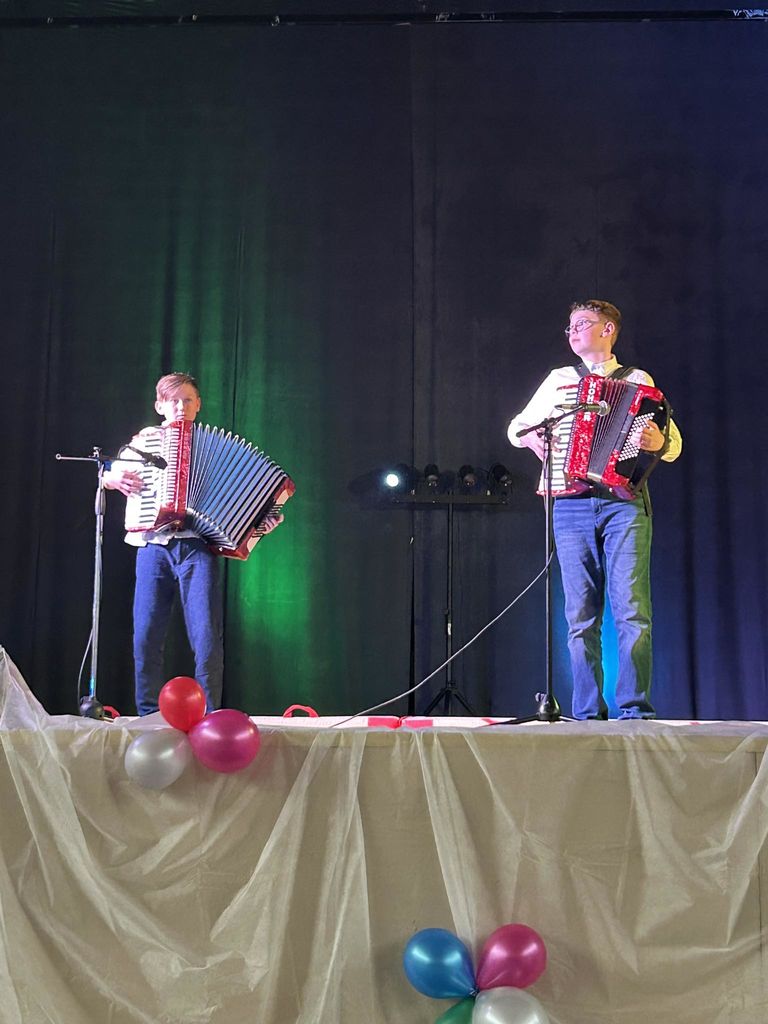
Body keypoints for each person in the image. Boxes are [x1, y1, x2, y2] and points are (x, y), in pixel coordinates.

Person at [507, 300, 682, 720]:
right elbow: (517, 428)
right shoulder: (559, 380)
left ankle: (635, 709)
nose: (571, 331)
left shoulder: (637, 379)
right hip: (570, 504)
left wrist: (657, 442)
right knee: (580, 613)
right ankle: (587, 712)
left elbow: (672, 445)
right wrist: (532, 439)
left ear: (608, 330)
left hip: (624, 503)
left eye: (582, 324)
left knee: (632, 609)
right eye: (569, 326)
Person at [104, 372, 282, 716]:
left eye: (187, 400)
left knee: (206, 635)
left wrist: (261, 524)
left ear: (198, 405)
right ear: (159, 406)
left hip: (196, 548)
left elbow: (245, 505)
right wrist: (112, 478)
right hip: (152, 546)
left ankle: (210, 712)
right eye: (173, 401)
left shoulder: (212, 447)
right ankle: (147, 712)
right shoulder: (144, 441)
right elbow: (109, 473)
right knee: (146, 633)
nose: (180, 407)